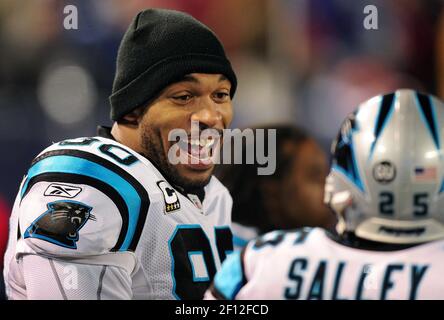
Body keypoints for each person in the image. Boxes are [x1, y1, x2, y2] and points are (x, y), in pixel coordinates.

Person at [4, 8, 237, 300]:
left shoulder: (215, 196)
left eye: (221, 95)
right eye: (184, 97)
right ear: (132, 110)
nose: (210, 116)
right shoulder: (92, 184)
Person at [206, 89, 444, 300]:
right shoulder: (251, 258)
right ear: (271, 191)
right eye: (315, 175)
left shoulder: (260, 261)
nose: (327, 184)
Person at [216, 125, 336, 250]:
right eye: (316, 176)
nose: (330, 187)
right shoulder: (234, 257)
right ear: (271, 192)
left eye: (328, 174)